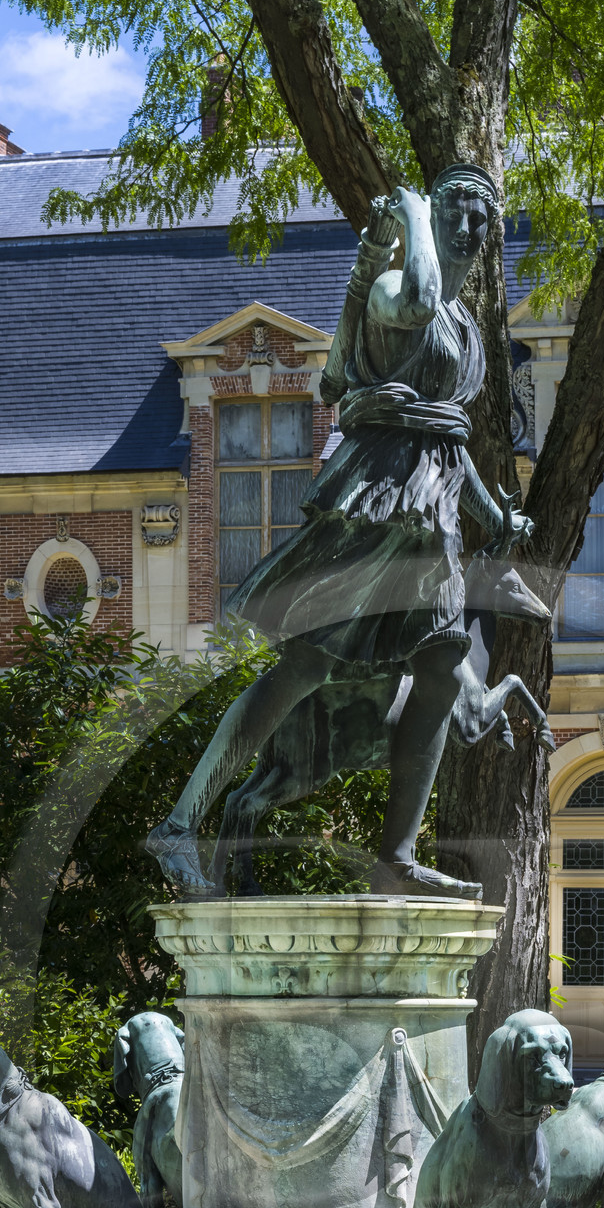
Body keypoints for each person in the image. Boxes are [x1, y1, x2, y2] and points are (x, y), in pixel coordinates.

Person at [145, 164, 538, 901]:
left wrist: (495, 516)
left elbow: (447, 442)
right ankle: (179, 824)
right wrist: (414, 214)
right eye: (453, 210)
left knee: (440, 667)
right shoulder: (398, 293)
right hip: (379, 504)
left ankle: (397, 855)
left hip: (431, 516)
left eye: (479, 219)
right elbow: (418, 297)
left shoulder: (468, 330)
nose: (465, 227)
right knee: (306, 667)